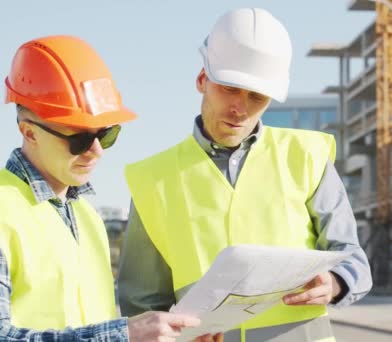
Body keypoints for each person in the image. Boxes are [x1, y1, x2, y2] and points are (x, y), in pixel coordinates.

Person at [118, 7, 372, 342]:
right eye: (229, 89)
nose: (241, 107)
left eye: (256, 96)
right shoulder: (153, 178)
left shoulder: (306, 156)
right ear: (201, 81)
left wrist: (335, 282)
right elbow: (142, 301)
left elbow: (352, 256)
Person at [0, 35, 222, 342]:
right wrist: (124, 334)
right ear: (29, 132)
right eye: (78, 139)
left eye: (105, 135)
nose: (96, 151)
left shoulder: (87, 217)